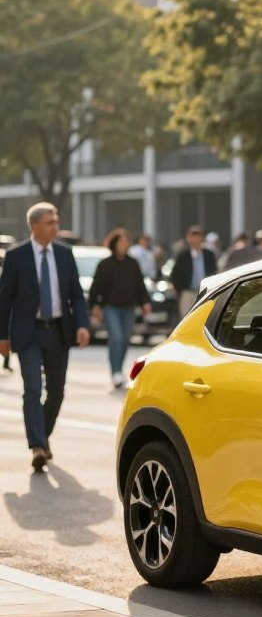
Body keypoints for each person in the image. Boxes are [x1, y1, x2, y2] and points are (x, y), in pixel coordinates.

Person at [0, 201, 90, 471]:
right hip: (28, 332)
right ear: (35, 225)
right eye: (51, 223)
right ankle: (37, 446)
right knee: (32, 389)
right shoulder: (17, 256)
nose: (56, 227)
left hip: (58, 331)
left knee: (57, 391)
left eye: (56, 221)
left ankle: (43, 435)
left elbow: (76, 293)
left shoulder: (64, 254)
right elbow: (4, 300)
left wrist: (82, 325)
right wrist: (2, 336)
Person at [89, 228, 150, 389]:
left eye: (127, 242)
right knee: (115, 337)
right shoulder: (105, 265)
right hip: (110, 307)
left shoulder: (133, 263)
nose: (125, 245)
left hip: (129, 307)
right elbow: (96, 286)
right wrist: (94, 305)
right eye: (121, 242)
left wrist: (145, 302)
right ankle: (115, 371)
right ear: (114, 244)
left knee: (124, 339)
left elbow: (140, 284)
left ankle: (119, 368)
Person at [170, 225, 218, 317]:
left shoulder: (209, 255)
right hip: (187, 293)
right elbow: (175, 275)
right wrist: (180, 291)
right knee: (187, 318)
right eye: (193, 236)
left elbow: (215, 272)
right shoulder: (183, 256)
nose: (196, 239)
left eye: (198, 235)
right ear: (188, 238)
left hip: (205, 292)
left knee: (204, 317)